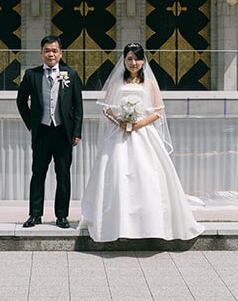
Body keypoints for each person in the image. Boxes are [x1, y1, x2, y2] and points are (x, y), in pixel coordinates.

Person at [79, 43, 203, 243]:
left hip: (143, 133)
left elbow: (157, 111)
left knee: (147, 176)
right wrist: (121, 122)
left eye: (136, 59)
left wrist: (137, 124)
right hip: (119, 133)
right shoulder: (116, 82)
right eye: (129, 59)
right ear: (124, 61)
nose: (133, 63)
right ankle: (117, 224)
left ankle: (150, 225)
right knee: (117, 174)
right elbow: (107, 108)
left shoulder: (150, 84)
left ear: (143, 61)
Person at [16, 35, 83, 228]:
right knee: (38, 173)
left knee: (63, 174)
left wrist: (76, 131)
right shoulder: (32, 75)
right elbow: (21, 101)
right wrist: (31, 125)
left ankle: (62, 216)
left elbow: (77, 106)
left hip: (63, 132)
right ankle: (35, 215)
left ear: (60, 54)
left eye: (54, 51)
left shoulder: (71, 75)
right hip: (42, 132)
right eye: (47, 51)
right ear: (41, 53)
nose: (50, 54)